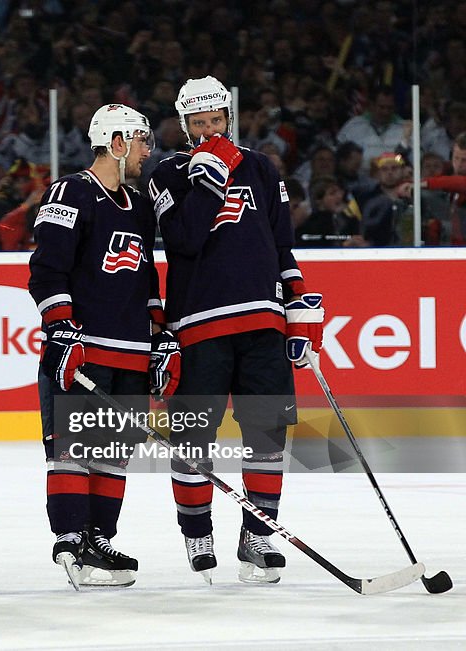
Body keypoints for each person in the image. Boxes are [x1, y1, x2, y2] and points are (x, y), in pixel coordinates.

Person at [148, 77, 323, 585]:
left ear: (228, 117)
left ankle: (256, 535)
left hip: (263, 320)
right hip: (198, 323)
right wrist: (209, 175)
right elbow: (182, 239)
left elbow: (281, 247)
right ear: (184, 126)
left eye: (215, 121)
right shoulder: (168, 173)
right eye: (198, 123)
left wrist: (296, 310)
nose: (208, 130)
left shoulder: (261, 166)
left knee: (268, 433)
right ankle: (197, 531)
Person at [28, 104, 168, 589]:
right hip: (81, 349)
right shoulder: (71, 191)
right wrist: (62, 327)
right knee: (71, 449)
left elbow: (145, 274)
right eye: (142, 141)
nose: (148, 151)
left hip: (128, 352)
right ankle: (70, 538)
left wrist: (158, 333)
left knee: (112, 452)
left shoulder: (140, 203)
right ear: (117, 143)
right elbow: (46, 269)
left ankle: (98, 539)